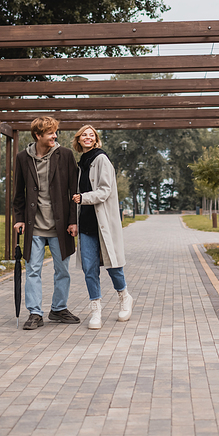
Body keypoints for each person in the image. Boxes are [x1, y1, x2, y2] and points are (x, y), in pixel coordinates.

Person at [13, 116, 80, 330]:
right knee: (33, 270)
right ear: (38, 135)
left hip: (60, 226)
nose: (55, 136)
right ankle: (35, 313)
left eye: (55, 132)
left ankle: (58, 309)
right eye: (50, 133)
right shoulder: (23, 158)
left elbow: (73, 190)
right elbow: (19, 192)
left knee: (63, 271)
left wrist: (73, 221)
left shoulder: (66, 156)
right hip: (35, 225)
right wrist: (19, 218)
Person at [72, 124, 133, 329]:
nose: (88, 138)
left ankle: (124, 296)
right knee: (89, 269)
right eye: (84, 135)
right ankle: (96, 310)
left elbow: (105, 190)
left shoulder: (101, 159)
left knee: (113, 265)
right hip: (86, 224)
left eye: (91, 135)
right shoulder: (81, 163)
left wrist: (83, 198)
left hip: (103, 222)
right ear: (78, 140)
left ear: (96, 139)